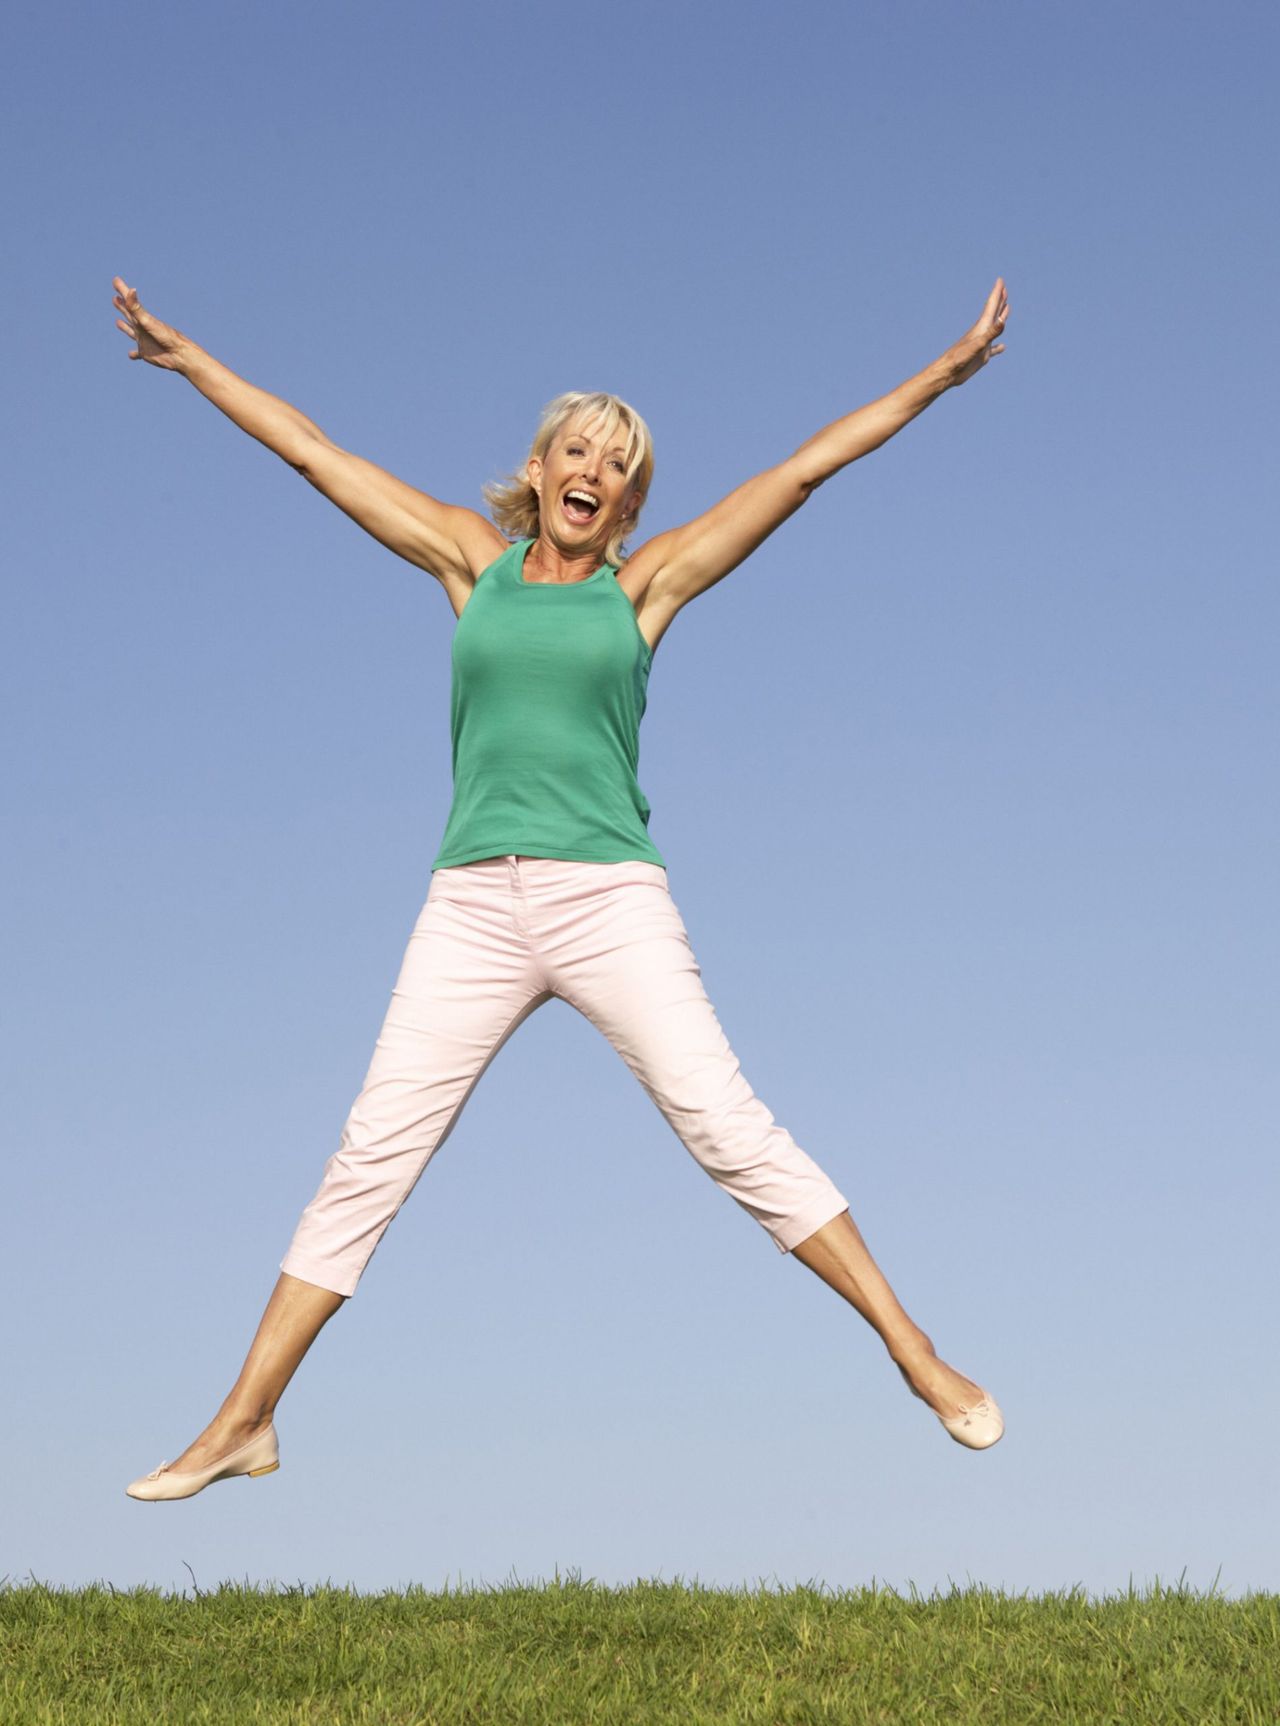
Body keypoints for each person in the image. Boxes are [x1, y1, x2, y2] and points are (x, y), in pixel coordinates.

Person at [114, 274, 1011, 1501]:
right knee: (370, 1152)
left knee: (725, 1124)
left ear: (629, 502)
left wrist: (935, 376)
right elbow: (317, 456)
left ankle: (915, 1356)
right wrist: (190, 360)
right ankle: (243, 1421)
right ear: (537, 469)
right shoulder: (467, 562)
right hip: (472, 904)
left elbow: (799, 472)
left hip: (605, 898)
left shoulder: (642, 590)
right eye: (577, 449)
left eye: (620, 465)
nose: (596, 471)